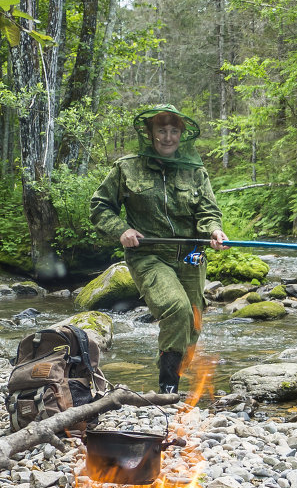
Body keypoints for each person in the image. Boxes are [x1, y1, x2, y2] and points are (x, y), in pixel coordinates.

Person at [89, 104, 228, 394]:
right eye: (161, 131)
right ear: (150, 134)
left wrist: (214, 231)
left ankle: (175, 373)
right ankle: (168, 390)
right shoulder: (126, 167)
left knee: (192, 323)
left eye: (173, 131)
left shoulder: (196, 171)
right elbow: (100, 206)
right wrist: (122, 230)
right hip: (148, 256)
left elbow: (208, 212)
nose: (167, 137)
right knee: (177, 309)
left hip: (191, 257)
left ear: (182, 134)